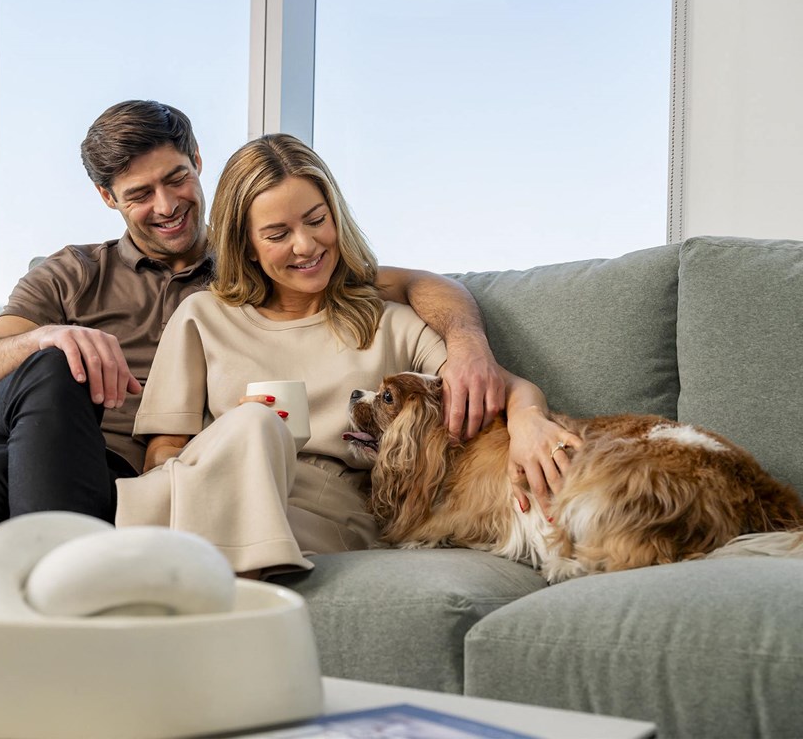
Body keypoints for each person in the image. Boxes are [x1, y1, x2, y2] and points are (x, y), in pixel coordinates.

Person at [0, 100, 511, 554]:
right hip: (34, 437)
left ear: (198, 162)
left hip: (114, 478)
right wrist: (50, 335)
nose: (166, 205)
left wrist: (467, 342)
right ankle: (64, 588)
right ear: (107, 197)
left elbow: (397, 283)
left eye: (177, 178)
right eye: (140, 194)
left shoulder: (257, 263)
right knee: (35, 392)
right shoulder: (73, 272)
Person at [122, 133, 582, 577]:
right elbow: (165, 455)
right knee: (252, 426)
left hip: (323, 515)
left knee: (255, 428)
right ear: (246, 245)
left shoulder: (389, 323)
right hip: (210, 490)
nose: (305, 245)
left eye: (316, 220)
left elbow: (497, 384)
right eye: (278, 233)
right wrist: (236, 443)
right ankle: (207, 587)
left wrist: (528, 421)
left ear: (336, 215)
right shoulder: (201, 317)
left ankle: (188, 590)